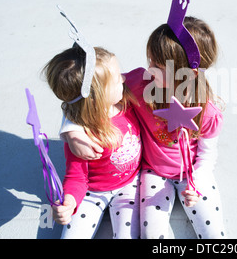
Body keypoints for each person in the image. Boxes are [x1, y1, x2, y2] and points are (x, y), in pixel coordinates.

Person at [61, 16, 226, 239]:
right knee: (151, 234)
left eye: (157, 66)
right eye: (150, 60)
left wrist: (197, 182)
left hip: (193, 173)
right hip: (153, 171)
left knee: (214, 233)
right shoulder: (140, 84)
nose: (148, 69)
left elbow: (207, 155)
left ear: (187, 73)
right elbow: (91, 94)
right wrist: (72, 131)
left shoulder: (206, 110)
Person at [43, 45, 142, 239]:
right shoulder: (82, 136)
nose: (123, 78)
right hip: (92, 193)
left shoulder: (126, 100)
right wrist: (69, 202)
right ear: (97, 98)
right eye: (116, 80)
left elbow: (143, 76)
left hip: (130, 186)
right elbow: (76, 177)